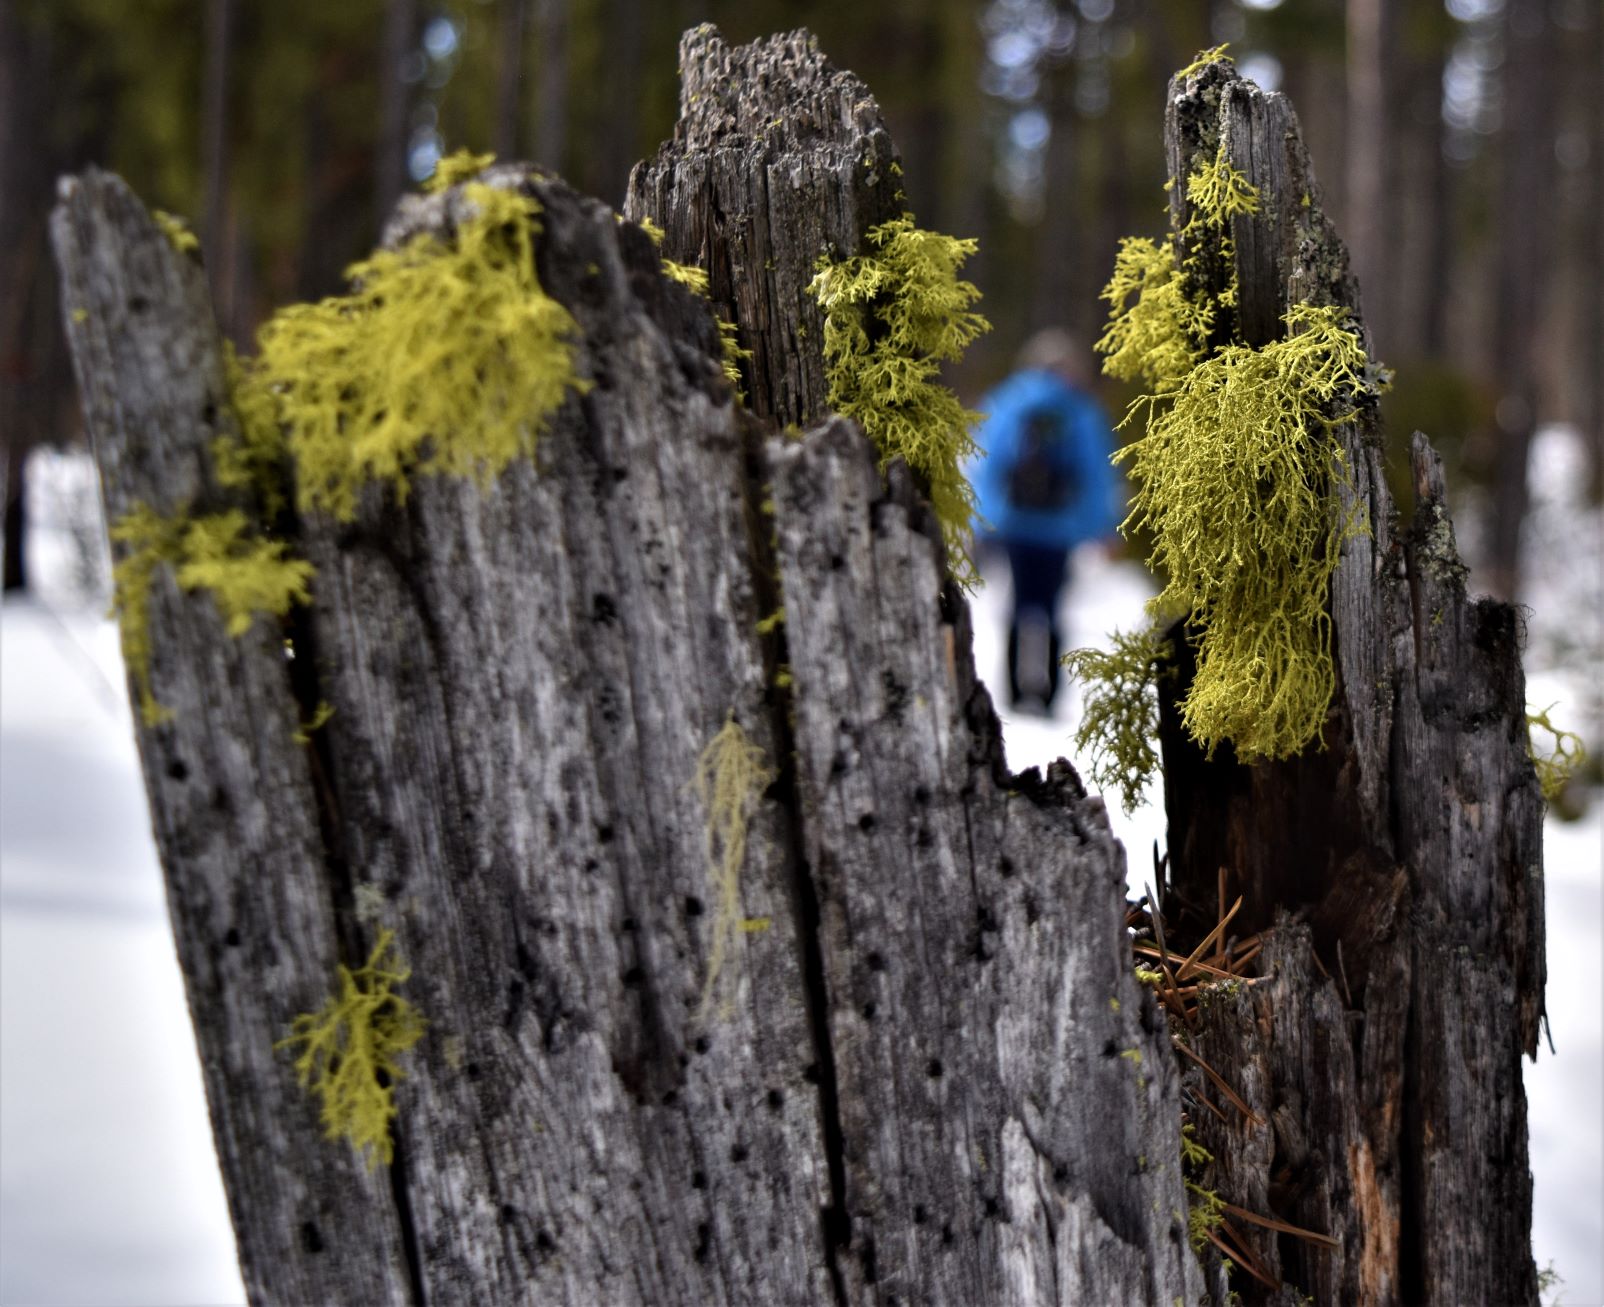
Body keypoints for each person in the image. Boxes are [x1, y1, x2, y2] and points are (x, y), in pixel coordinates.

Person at [972, 329, 1121, 714]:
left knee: (1018, 605)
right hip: (1059, 528)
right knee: (1052, 608)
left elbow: (986, 463)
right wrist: (1104, 527)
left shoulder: (1008, 400)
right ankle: (1049, 696)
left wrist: (982, 520)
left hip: (1015, 524)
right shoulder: (1080, 408)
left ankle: (1014, 693)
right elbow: (1096, 475)